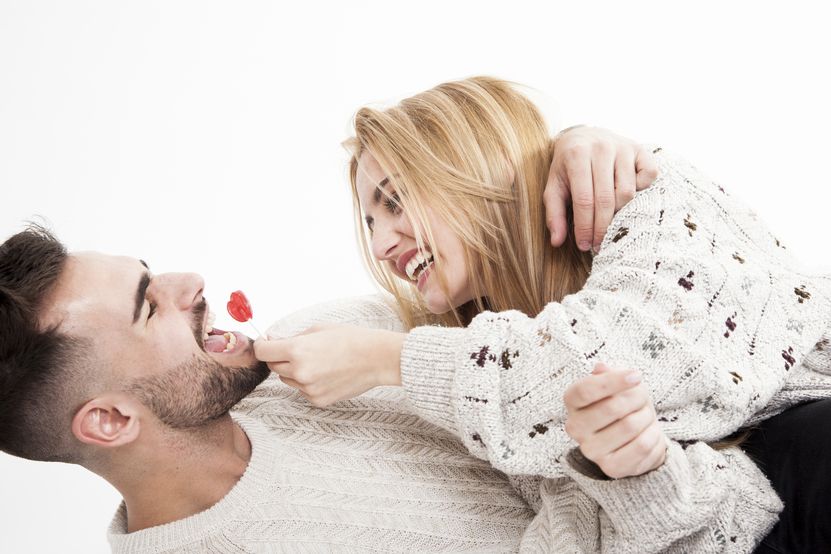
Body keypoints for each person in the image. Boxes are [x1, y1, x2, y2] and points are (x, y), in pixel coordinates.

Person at [0, 127, 653, 552]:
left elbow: (542, 311)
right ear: (111, 420)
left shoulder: (329, 340)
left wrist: (561, 160)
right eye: (148, 305)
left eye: (149, 271)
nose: (189, 281)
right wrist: (607, 466)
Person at [255, 77, 831, 552]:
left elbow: (610, 356)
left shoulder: (645, 192)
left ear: (476, 167)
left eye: (395, 200)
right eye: (371, 223)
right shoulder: (496, 388)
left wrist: (384, 359)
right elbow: (604, 528)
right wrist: (637, 474)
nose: (382, 246)